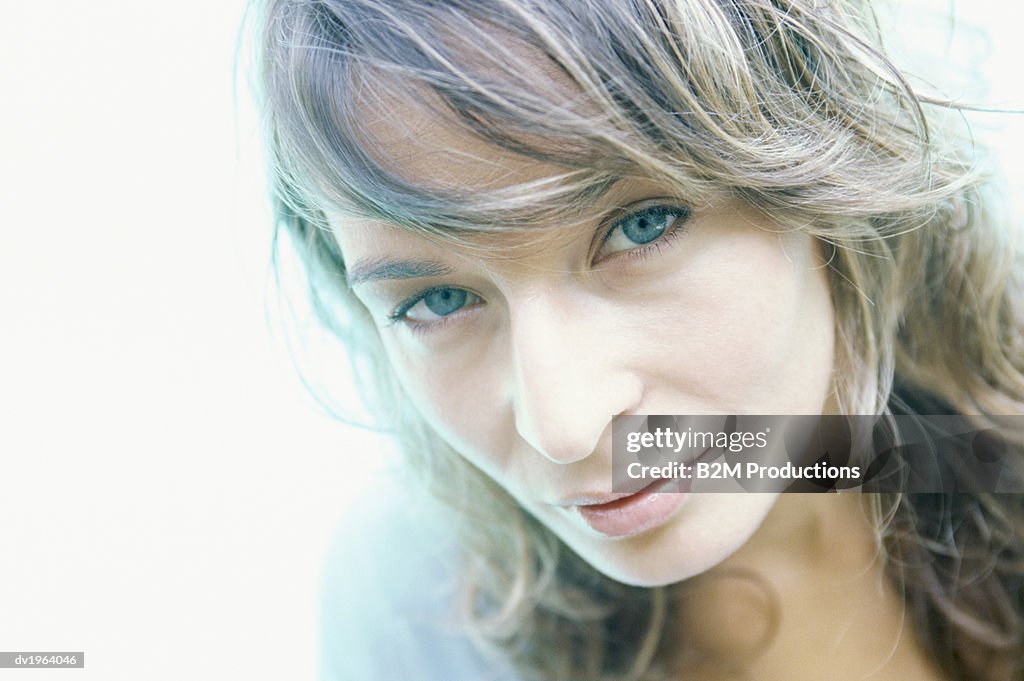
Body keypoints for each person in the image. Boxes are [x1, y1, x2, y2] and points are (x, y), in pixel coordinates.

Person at [254, 0, 1024, 678]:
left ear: (825, 153)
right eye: (440, 299)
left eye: (640, 226)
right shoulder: (418, 607)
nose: (563, 426)